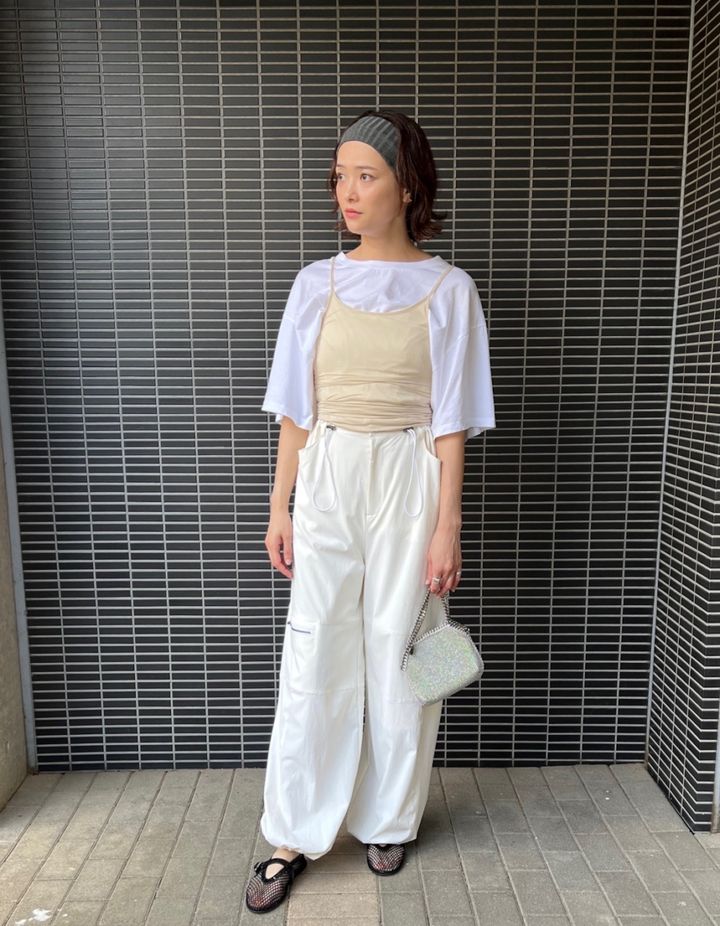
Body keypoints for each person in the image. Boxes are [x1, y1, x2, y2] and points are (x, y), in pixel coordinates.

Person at [245, 109, 496, 914]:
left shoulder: (450, 291)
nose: (347, 192)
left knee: (403, 651)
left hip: (410, 477)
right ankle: (293, 833)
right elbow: (296, 410)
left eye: (366, 175)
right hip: (329, 472)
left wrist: (448, 524)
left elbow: (452, 421)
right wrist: (280, 506)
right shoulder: (315, 283)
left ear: (407, 185)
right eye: (340, 176)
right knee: (313, 650)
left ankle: (389, 818)